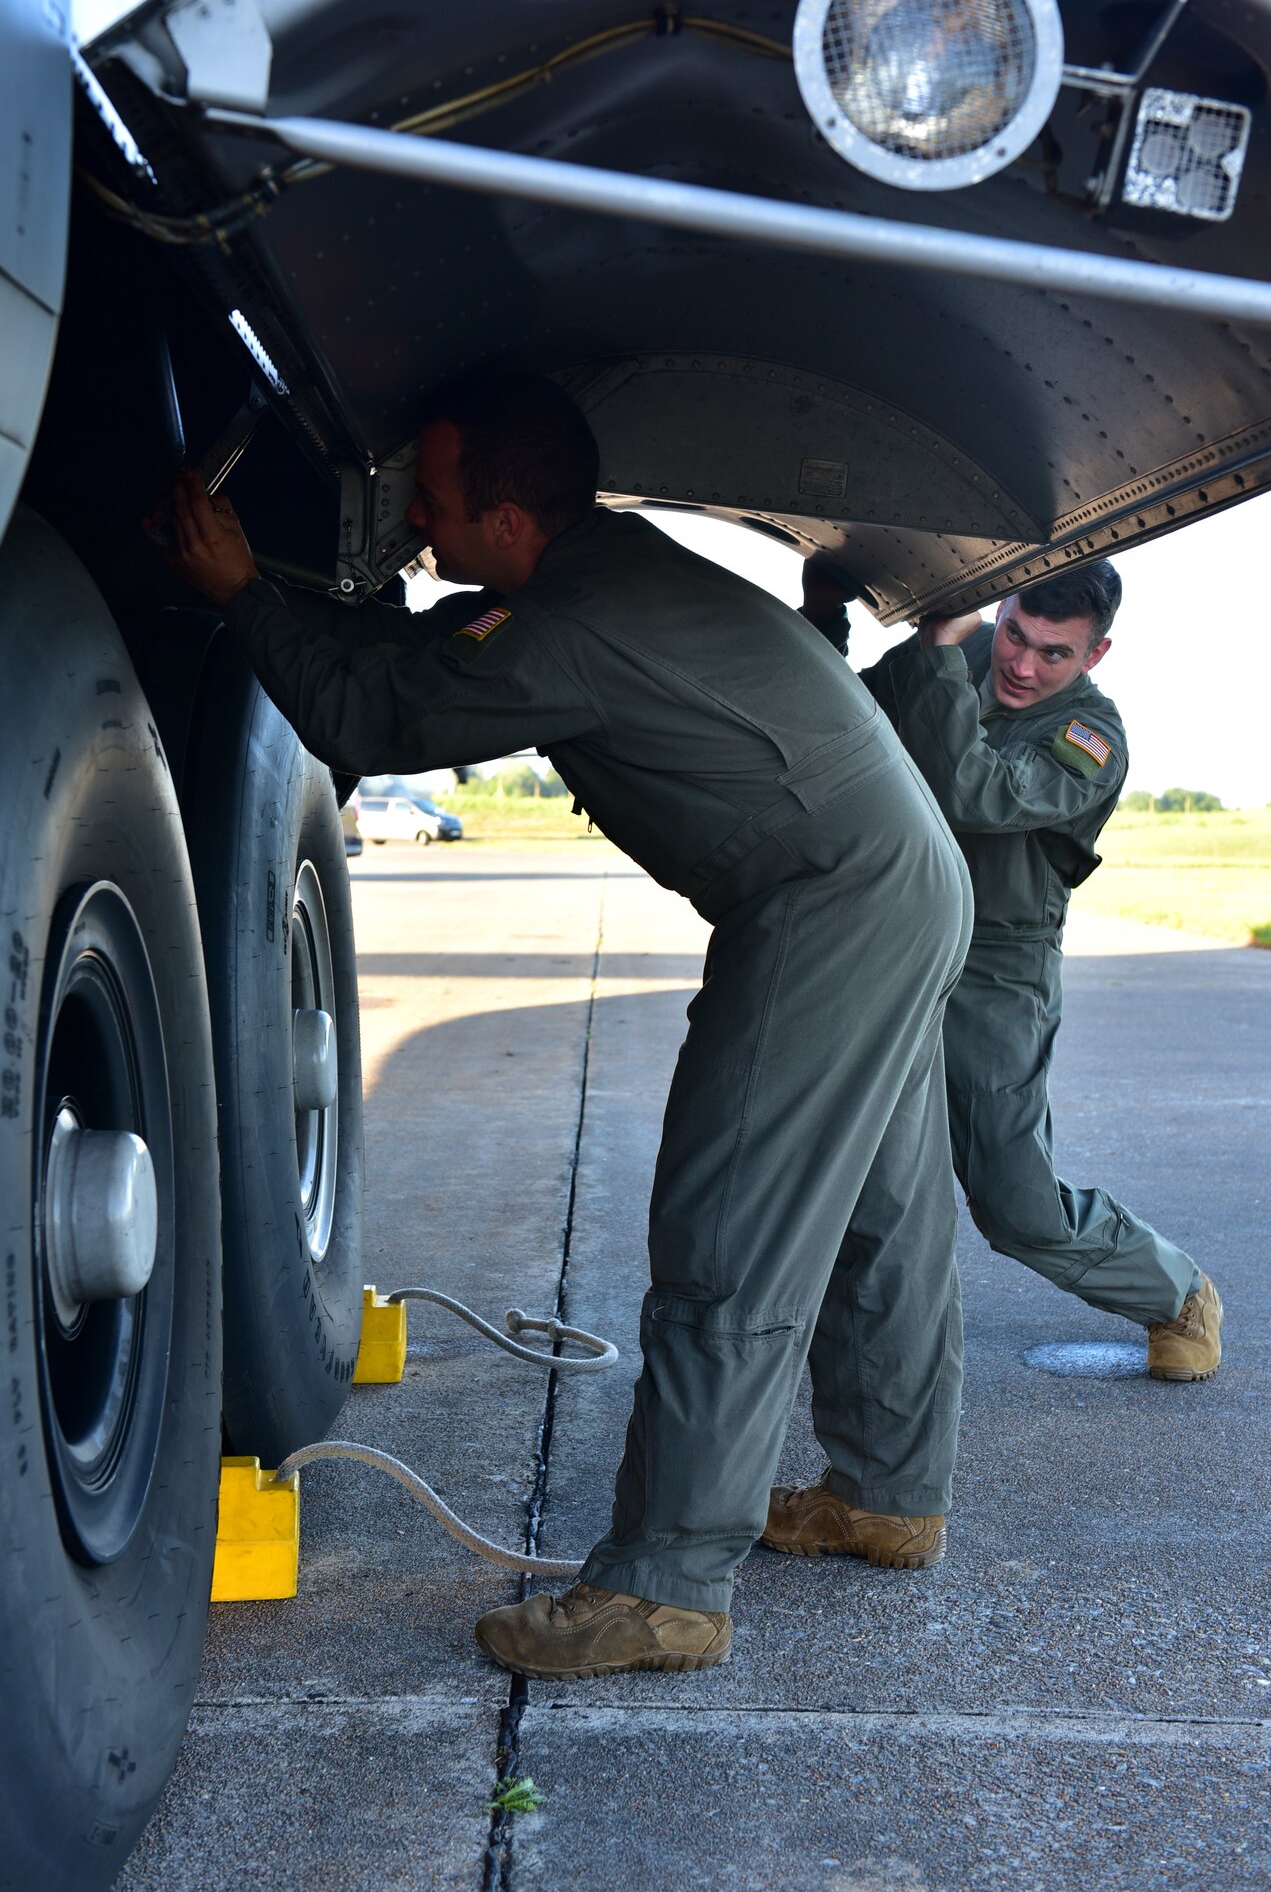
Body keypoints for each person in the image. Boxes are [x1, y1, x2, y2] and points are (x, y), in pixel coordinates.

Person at [162, 374, 972, 1679]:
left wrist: (241, 596)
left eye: (431, 503)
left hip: (824, 909)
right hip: (896, 883)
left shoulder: (576, 623)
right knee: (876, 1215)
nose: (416, 527)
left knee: (729, 1236)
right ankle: (884, 1494)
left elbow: (377, 716)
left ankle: (665, 1585)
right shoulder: (596, 578)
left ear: (504, 518)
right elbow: (433, 656)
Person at [765, 564, 1218, 1558]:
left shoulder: (1090, 737)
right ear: (1004, 610)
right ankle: (866, 1458)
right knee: (870, 1195)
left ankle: (1173, 1288)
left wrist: (937, 646)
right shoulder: (960, 654)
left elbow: (973, 789)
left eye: (1053, 651)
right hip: (892, 942)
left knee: (1014, 1204)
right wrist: (825, 621)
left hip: (994, 976)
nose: (1020, 663)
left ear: (1094, 653)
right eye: (1014, 634)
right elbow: (842, 713)